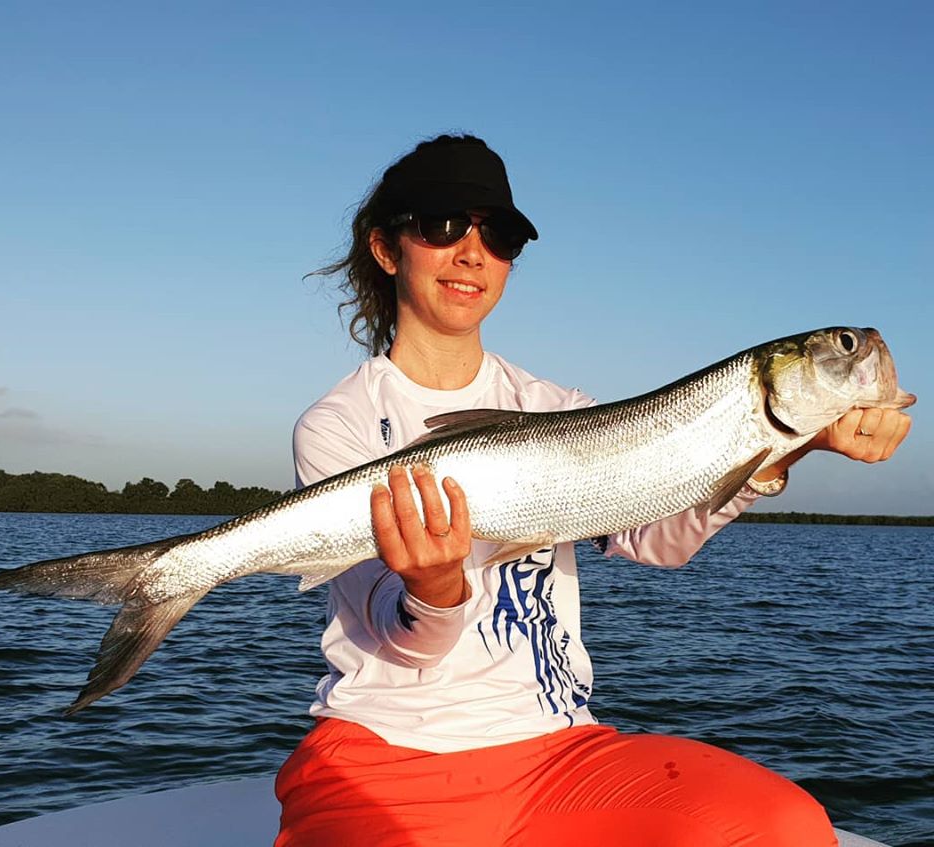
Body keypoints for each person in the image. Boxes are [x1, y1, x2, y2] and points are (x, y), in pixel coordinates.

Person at [275, 134, 911, 847]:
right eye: (442, 225)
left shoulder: (557, 405)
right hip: (389, 749)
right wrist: (434, 585)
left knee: (789, 828)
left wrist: (784, 448)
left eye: (500, 234)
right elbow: (407, 642)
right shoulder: (340, 425)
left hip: (557, 750)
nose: (472, 252)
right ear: (388, 249)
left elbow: (654, 538)